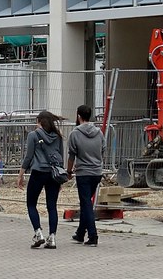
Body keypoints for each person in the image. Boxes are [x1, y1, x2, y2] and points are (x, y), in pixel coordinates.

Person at [17, 110, 64, 249]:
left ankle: (38, 233)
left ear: (39, 121)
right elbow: (60, 156)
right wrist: (60, 178)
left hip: (38, 172)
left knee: (31, 204)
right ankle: (52, 237)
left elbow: (28, 156)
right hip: (53, 173)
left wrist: (20, 174)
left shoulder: (33, 135)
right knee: (51, 206)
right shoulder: (57, 136)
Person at [67, 104, 104, 247]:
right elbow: (103, 150)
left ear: (78, 116)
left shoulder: (75, 134)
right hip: (96, 172)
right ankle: (80, 233)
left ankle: (93, 235)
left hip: (83, 173)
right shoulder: (99, 132)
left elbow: (71, 155)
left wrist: (69, 171)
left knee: (86, 204)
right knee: (86, 202)